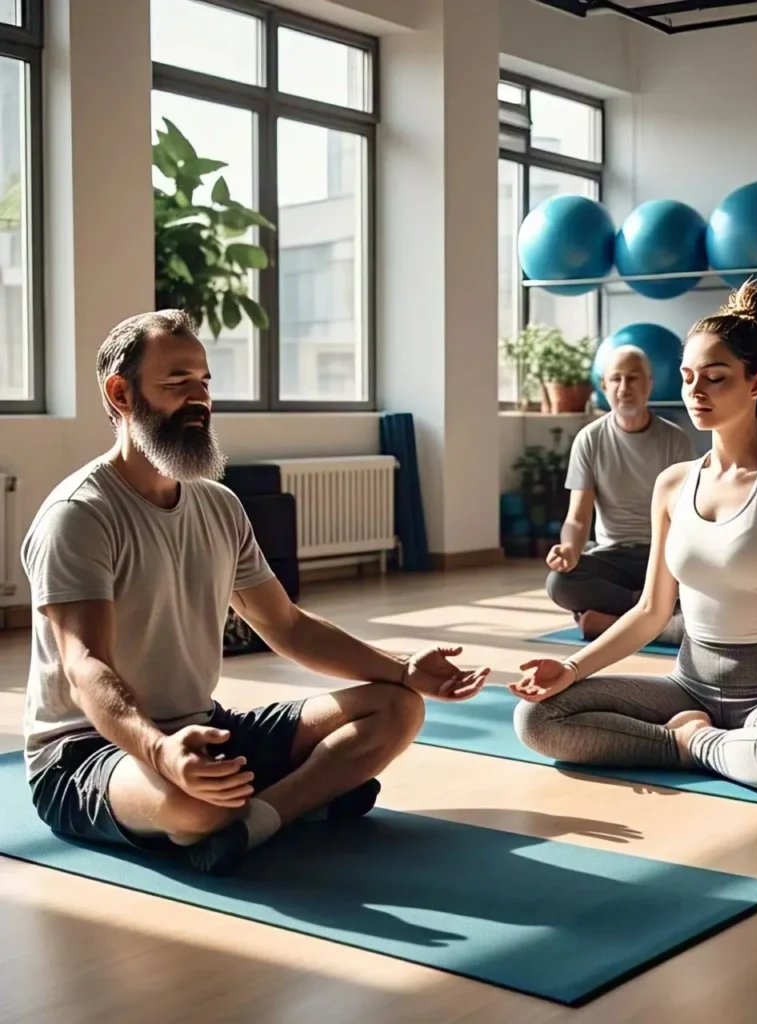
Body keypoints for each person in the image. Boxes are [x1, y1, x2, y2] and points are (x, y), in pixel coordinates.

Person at [21, 310, 489, 877]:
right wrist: (161, 752)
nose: (199, 399)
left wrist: (402, 669)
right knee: (193, 805)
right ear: (121, 394)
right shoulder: (81, 515)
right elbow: (85, 665)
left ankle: (263, 817)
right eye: (176, 384)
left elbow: (286, 625)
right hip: (88, 752)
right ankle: (302, 797)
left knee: (397, 708)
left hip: (205, 727)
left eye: (204, 382)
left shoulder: (219, 506)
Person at [511, 281, 757, 795]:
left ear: (756, 383)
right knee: (536, 718)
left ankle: (689, 742)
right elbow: (652, 610)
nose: (696, 391)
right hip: (688, 682)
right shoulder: (672, 485)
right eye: (689, 377)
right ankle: (699, 742)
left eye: (715, 378)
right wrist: (571, 667)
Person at [546, 344, 693, 645]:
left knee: (711, 596)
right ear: (603, 385)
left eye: (634, 378)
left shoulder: (675, 441)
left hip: (663, 556)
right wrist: (569, 550)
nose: (624, 387)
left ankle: (611, 623)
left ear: (649, 384)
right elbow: (577, 517)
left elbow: (686, 517)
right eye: (616, 379)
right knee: (560, 583)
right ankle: (657, 615)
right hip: (612, 557)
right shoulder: (589, 439)